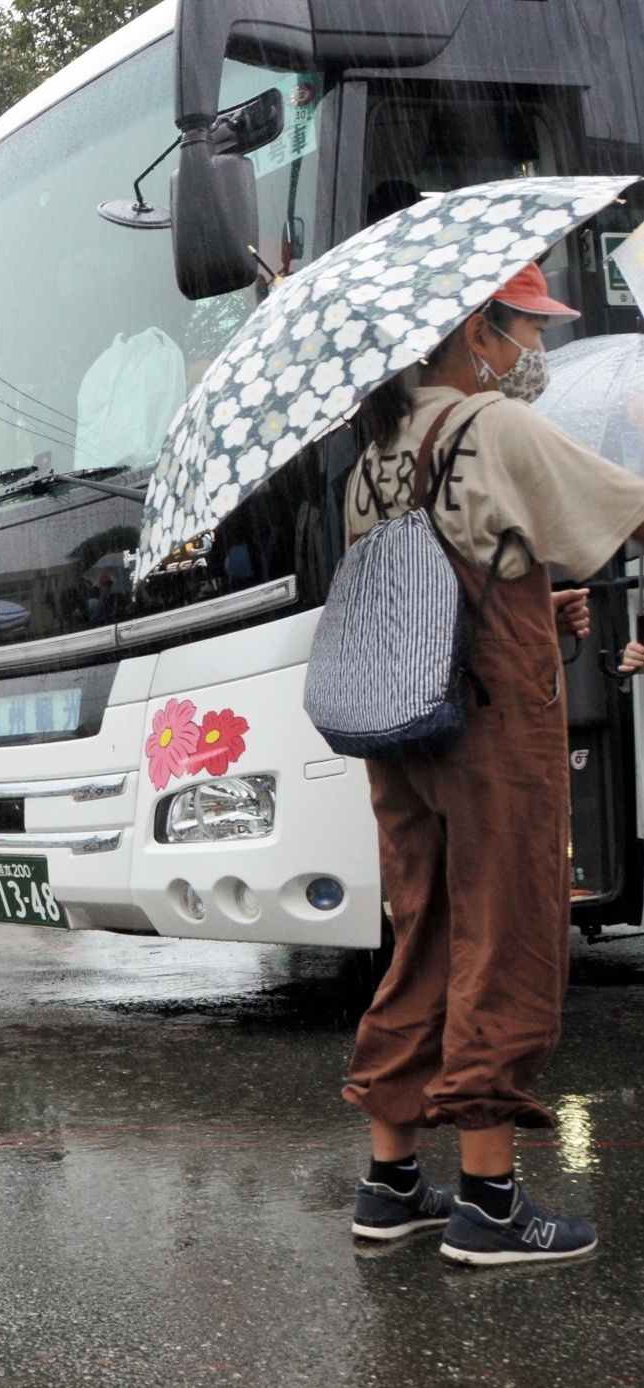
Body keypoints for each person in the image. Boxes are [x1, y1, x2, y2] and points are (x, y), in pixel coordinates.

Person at [340, 262, 644, 1265]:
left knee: (421, 930)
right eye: (522, 330)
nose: (531, 353)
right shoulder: (491, 427)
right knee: (507, 931)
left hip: (400, 716)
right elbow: (616, 510)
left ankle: (389, 1183)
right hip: (490, 717)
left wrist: (528, 597)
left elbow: (431, 590)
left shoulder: (373, 452)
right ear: (477, 327)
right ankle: (490, 1200)